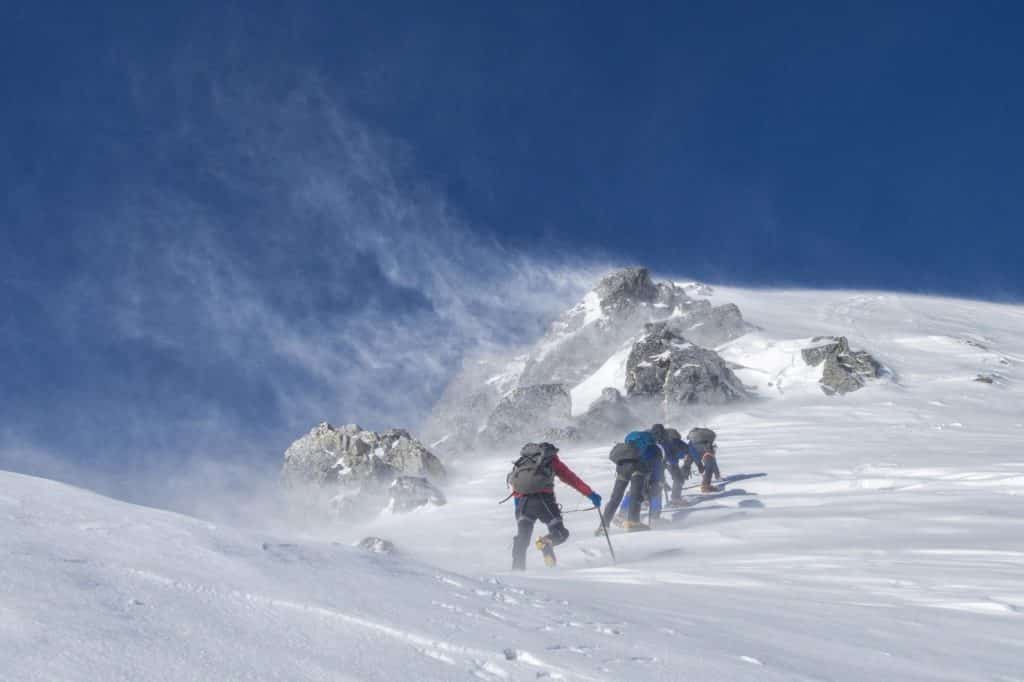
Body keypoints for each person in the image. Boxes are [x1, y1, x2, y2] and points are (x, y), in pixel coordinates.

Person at [507, 442, 601, 570]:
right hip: (545, 502)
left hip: (523, 504)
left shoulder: (522, 462)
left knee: (522, 539)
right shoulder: (550, 460)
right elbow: (572, 479)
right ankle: (546, 543)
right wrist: (591, 495)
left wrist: (518, 512)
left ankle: (517, 571)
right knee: (560, 533)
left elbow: (516, 487)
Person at [599, 424, 666, 533]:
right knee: (636, 495)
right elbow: (657, 470)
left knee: (615, 498)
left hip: (622, 467)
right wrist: (656, 483)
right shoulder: (655, 448)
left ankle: (603, 526)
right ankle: (633, 522)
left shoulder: (634, 437)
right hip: (638, 469)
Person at [663, 427, 701, 505]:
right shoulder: (675, 441)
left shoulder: (659, 441)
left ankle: (645, 499)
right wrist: (684, 456)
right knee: (679, 479)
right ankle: (675, 498)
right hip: (671, 462)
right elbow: (687, 450)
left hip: (657, 462)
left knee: (655, 481)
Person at [687, 427, 722, 493]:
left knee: (709, 468)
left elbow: (693, 453)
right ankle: (705, 486)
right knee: (709, 468)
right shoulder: (705, 439)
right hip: (706, 452)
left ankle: (706, 485)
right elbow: (713, 461)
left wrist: (699, 464)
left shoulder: (693, 441)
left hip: (702, 453)